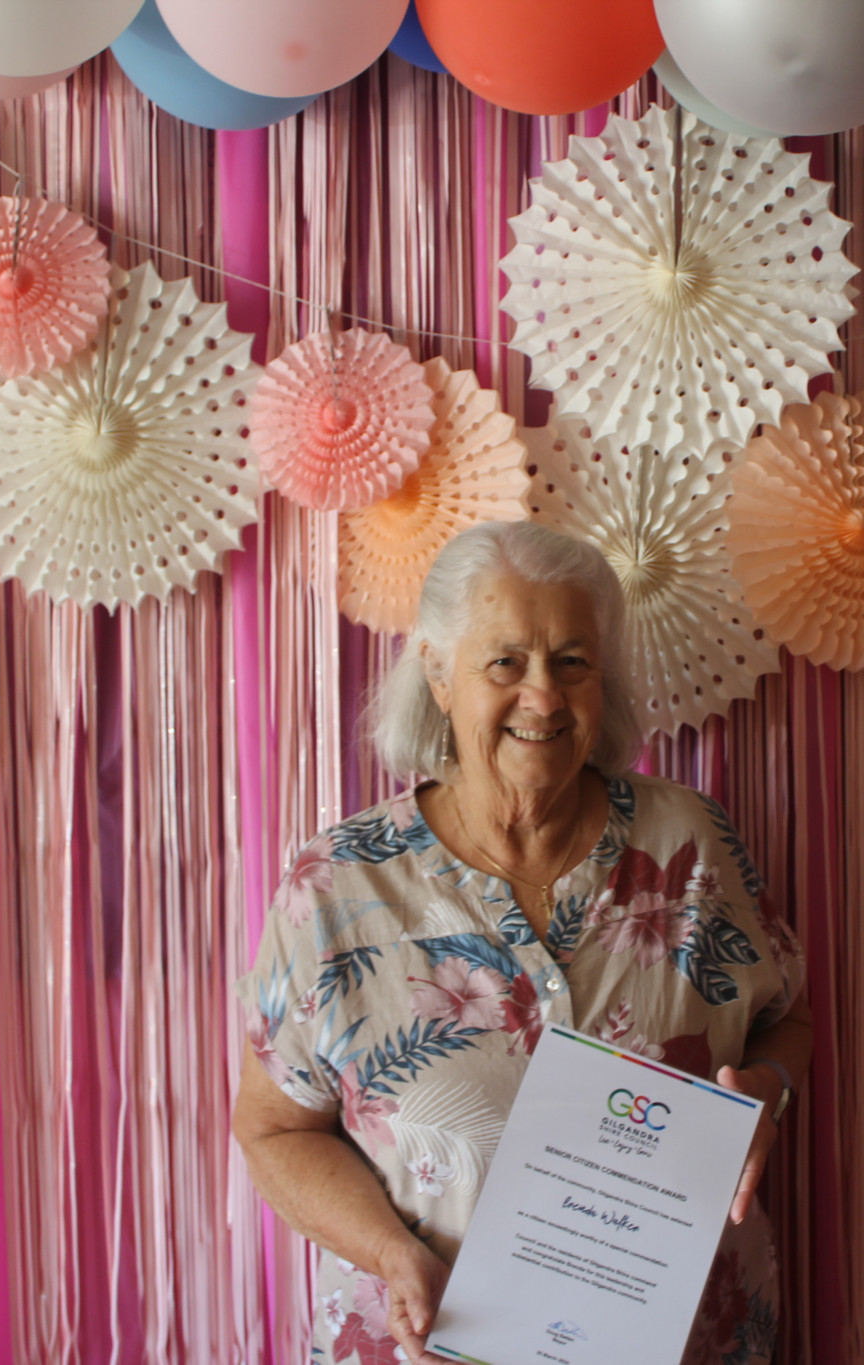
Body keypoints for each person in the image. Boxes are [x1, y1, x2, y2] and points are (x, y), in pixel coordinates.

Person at [233, 520, 813, 1365]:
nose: (542, 696)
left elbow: (786, 1020)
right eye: (504, 661)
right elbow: (275, 1130)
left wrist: (768, 1091)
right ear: (437, 670)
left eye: (572, 662)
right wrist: (394, 1255)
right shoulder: (338, 887)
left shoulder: (689, 846)